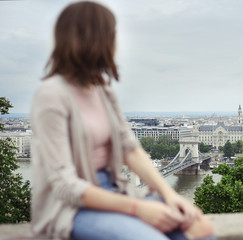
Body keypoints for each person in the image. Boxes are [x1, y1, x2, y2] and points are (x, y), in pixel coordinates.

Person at [30, 1, 215, 240]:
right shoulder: (51, 95)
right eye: (113, 35)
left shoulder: (103, 90)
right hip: (72, 207)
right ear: (96, 40)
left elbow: (131, 149)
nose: (117, 43)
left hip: (115, 189)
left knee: (203, 231)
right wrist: (139, 208)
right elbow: (65, 185)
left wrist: (170, 195)